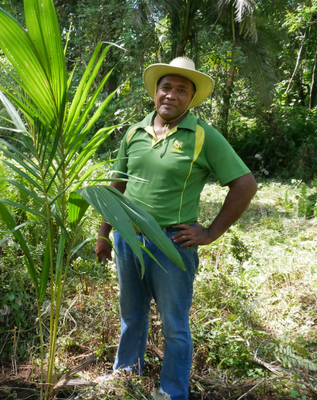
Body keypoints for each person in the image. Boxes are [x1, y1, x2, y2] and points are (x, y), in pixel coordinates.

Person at [95, 57, 257, 400]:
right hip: (127, 238)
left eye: (181, 90)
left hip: (171, 242)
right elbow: (116, 185)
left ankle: (172, 393)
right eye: (166, 87)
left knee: (174, 325)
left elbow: (245, 183)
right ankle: (127, 378)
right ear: (156, 92)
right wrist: (103, 232)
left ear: (191, 97)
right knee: (131, 314)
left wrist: (210, 232)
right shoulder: (134, 132)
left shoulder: (203, 136)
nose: (171, 95)